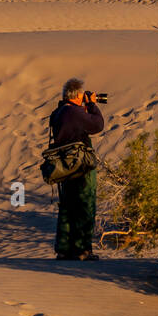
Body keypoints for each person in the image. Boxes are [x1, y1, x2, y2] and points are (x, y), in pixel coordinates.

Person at [49, 77, 105, 260]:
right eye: (82, 95)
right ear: (76, 96)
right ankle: (82, 249)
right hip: (81, 165)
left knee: (67, 206)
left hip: (65, 166)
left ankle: (64, 249)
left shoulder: (58, 112)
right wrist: (92, 106)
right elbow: (97, 125)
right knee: (85, 204)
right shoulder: (74, 112)